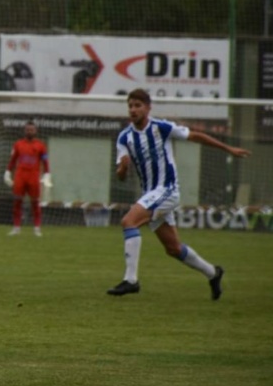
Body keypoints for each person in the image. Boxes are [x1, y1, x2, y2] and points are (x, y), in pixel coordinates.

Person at [107, 88, 250, 300]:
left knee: (129, 221)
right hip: (152, 194)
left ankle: (131, 280)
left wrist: (228, 149)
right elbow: (120, 175)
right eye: (130, 106)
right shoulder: (124, 137)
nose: (133, 110)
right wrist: (122, 169)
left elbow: (196, 136)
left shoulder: (161, 127)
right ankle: (213, 273)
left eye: (138, 105)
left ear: (148, 107)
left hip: (167, 190)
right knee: (173, 249)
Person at [3, 120, 52, 237]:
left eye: (32, 129)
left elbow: (45, 161)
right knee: (17, 202)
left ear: (36, 131)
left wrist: (47, 174)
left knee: (35, 203)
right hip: (20, 176)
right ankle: (16, 228)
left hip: (33, 176)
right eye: (28, 129)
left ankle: (36, 228)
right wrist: (7, 172)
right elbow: (13, 160)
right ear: (24, 131)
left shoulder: (41, 145)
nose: (30, 131)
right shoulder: (18, 144)